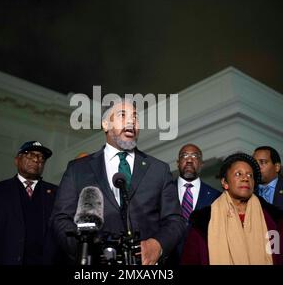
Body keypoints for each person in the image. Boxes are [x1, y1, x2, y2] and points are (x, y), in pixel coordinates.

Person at [52, 99, 185, 265]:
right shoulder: (77, 169)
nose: (131, 121)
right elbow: (61, 219)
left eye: (135, 117)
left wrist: (158, 245)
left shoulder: (159, 170)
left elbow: (175, 220)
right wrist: (86, 251)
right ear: (106, 125)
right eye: (123, 115)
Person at [181, 153, 283, 265]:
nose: (246, 178)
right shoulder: (204, 221)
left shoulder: (273, 218)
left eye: (250, 175)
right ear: (225, 183)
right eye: (238, 174)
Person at [0, 141, 58, 265]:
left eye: (41, 157)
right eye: (30, 155)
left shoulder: (56, 193)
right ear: (17, 160)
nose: (37, 160)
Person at [168, 144, 220, 264]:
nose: (189, 160)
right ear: (178, 162)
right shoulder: (164, 191)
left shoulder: (216, 196)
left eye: (195, 156)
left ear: (201, 164)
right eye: (184, 156)